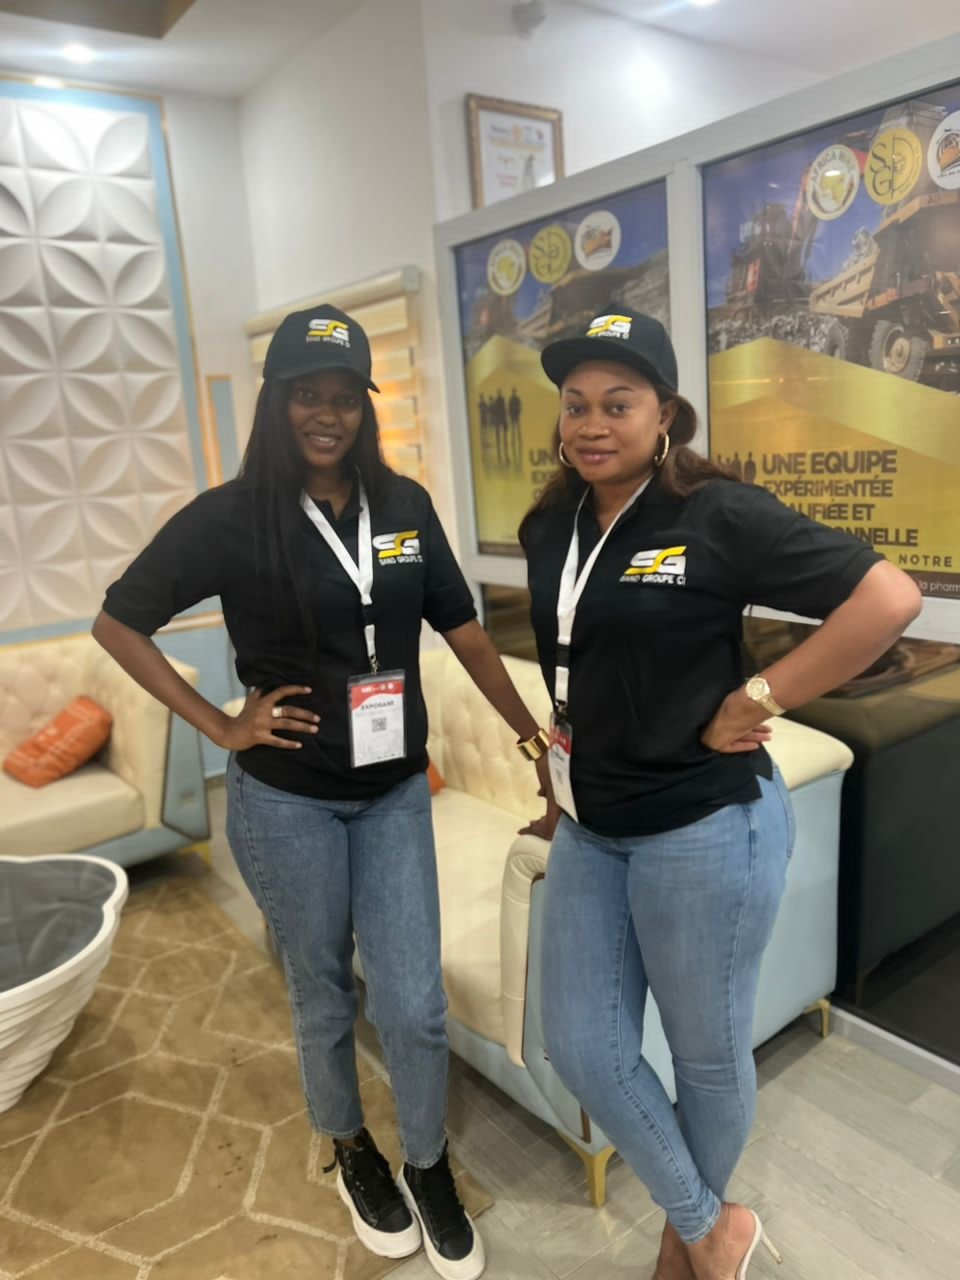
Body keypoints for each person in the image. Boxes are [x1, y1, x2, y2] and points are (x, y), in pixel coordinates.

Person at [92, 304, 554, 1280]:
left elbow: (466, 632)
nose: (328, 413)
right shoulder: (231, 516)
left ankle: (426, 1162)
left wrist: (530, 731)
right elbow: (119, 622)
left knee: (414, 1002)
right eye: (309, 393)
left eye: (345, 396)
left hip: (393, 794)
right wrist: (220, 724)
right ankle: (349, 1146)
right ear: (278, 401)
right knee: (324, 990)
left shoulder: (404, 506)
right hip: (286, 799)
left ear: (363, 408)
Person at [518, 307, 921, 1280]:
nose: (591, 423)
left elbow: (888, 598)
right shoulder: (550, 524)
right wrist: (558, 768)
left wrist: (758, 696)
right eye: (576, 403)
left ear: (666, 414)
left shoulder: (715, 514)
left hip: (704, 826)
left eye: (618, 403)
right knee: (580, 1044)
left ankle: (683, 1235)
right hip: (593, 824)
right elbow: (578, 661)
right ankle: (709, 1223)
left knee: (703, 1054)